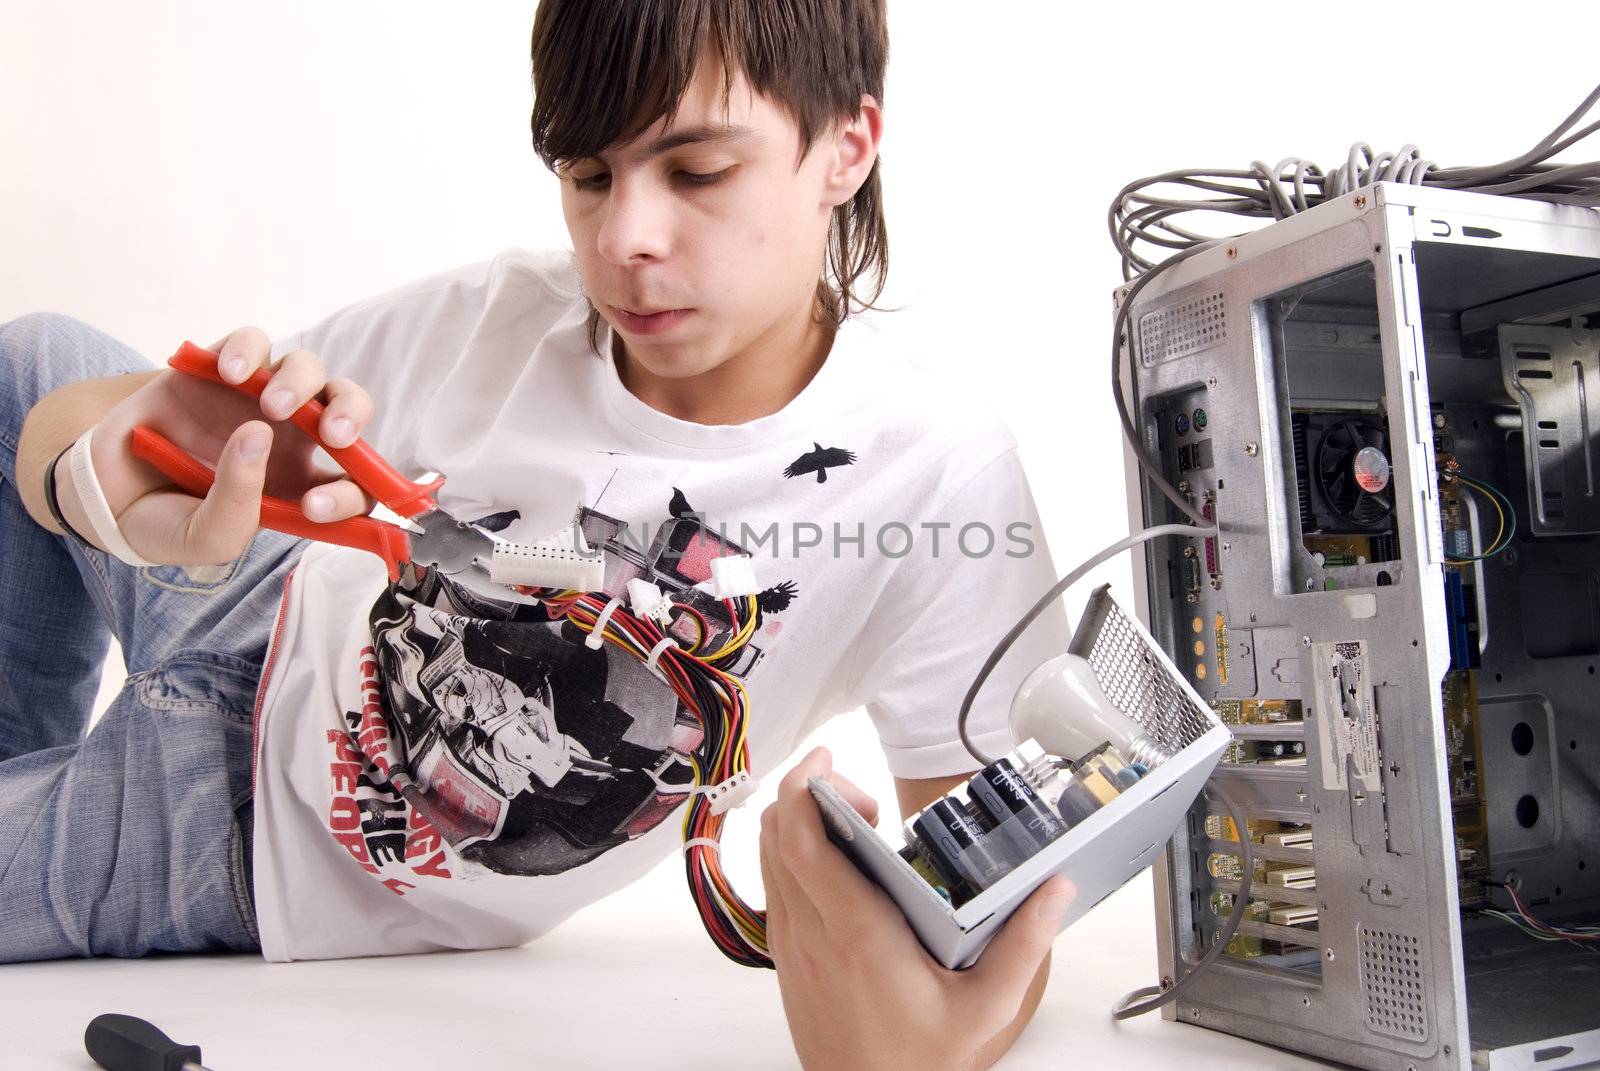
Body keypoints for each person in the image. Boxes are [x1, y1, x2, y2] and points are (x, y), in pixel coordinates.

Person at [1, 2, 1074, 1066]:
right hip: (263, 594)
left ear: (846, 148)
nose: (624, 240)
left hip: (248, 842)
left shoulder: (936, 477)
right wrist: (104, 476)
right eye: (588, 176)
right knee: (31, 356)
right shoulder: (497, 316)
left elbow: (1002, 909)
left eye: (697, 172)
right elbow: (78, 428)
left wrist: (924, 1044)